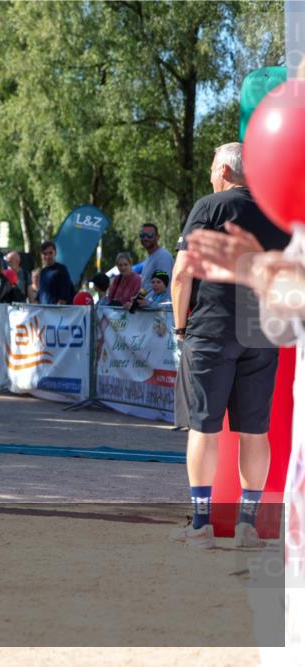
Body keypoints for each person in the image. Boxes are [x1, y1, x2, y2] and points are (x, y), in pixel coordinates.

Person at [169, 141, 290, 549]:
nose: (209, 175)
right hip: (262, 329)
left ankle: (201, 525)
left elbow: (182, 273)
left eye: (210, 168)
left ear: (223, 170)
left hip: (211, 329)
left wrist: (180, 327)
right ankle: (247, 526)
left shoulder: (209, 207)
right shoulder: (275, 210)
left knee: (204, 427)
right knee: (255, 430)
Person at [138, 223, 174, 292]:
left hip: (160, 302)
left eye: (150, 235)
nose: (145, 238)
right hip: (148, 302)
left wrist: (148, 301)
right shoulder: (149, 258)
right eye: (142, 235)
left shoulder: (163, 257)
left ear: (157, 237)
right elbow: (146, 286)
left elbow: (164, 287)